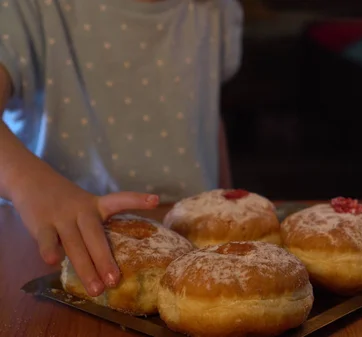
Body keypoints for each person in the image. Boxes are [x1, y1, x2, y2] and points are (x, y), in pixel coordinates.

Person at [0, 0, 242, 298]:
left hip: (193, 255)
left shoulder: (216, 8)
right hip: (46, 252)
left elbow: (206, 116)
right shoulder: (30, 8)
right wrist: (32, 184)